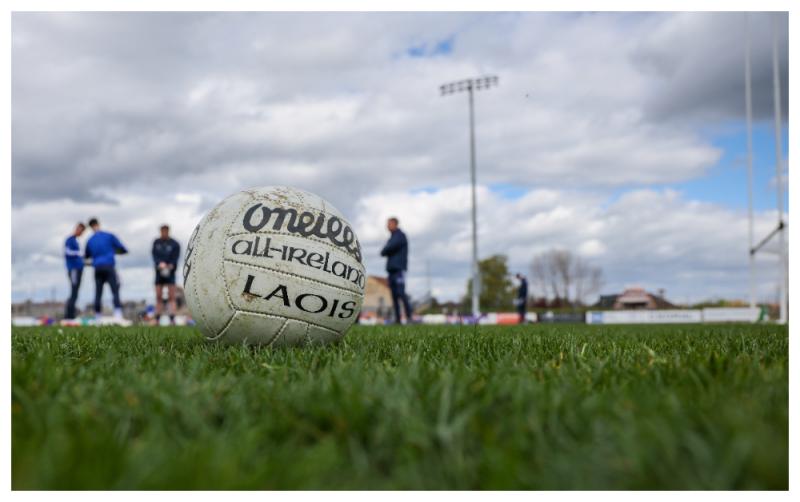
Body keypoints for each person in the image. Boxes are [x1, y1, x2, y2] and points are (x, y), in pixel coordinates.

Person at [84, 218, 128, 319]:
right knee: (115, 290)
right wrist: (115, 251)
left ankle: (97, 316)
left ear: (91, 227)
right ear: (98, 224)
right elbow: (123, 249)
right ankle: (118, 315)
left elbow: (86, 256)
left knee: (98, 293)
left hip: (97, 268)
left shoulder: (90, 240)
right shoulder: (109, 236)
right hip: (109, 266)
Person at [380, 217, 413, 324]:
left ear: (395, 224)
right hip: (391, 271)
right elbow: (384, 251)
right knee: (394, 295)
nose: (387, 226)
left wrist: (386, 249)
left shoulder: (400, 236)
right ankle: (398, 319)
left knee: (401, 293)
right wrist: (386, 249)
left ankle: (409, 317)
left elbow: (387, 249)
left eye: (389, 223)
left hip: (399, 269)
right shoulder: (392, 237)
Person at [152, 224, 181, 325]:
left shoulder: (175, 244)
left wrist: (170, 265)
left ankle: (172, 318)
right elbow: (154, 256)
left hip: (170, 272)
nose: (164, 233)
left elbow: (176, 258)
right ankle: (157, 319)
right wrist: (160, 264)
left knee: (171, 296)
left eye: (165, 231)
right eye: (162, 231)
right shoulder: (156, 242)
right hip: (159, 272)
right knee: (158, 296)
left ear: (168, 231)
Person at [63, 222, 86, 319]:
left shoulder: (76, 241)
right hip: (73, 270)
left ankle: (71, 316)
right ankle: (69, 316)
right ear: (77, 228)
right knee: (73, 292)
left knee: (75, 292)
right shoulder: (70, 240)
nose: (81, 233)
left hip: (79, 269)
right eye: (81, 230)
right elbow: (67, 252)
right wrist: (79, 253)